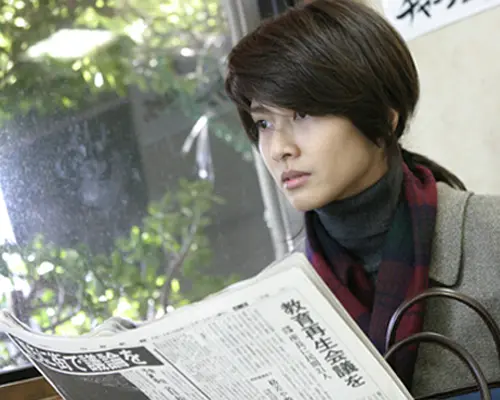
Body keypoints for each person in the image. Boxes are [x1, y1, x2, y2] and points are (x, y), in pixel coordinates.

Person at [224, 0, 500, 398]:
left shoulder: (491, 237)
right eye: (264, 123)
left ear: (384, 114)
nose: (279, 148)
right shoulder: (272, 298)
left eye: (302, 114)